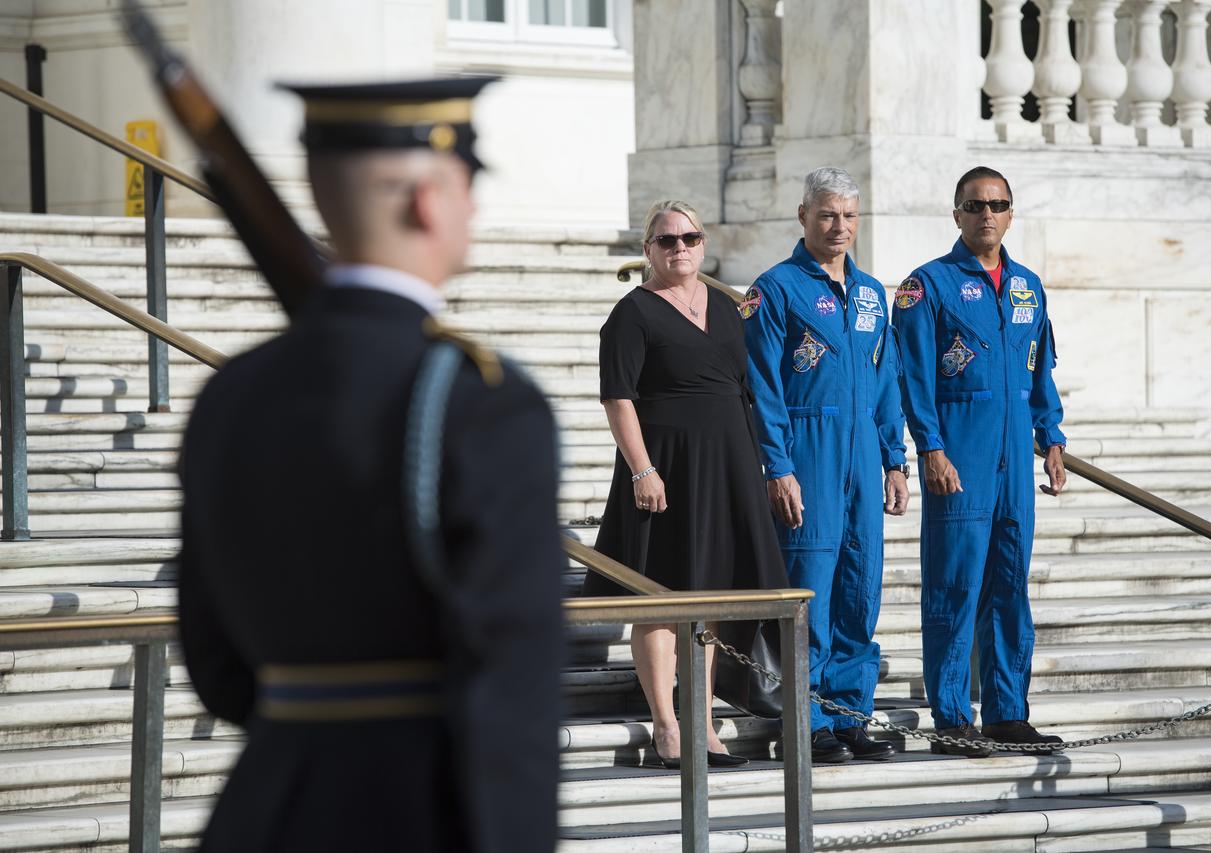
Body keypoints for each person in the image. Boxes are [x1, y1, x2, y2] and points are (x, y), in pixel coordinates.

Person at [177, 77, 565, 851]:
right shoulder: (482, 400)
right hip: (419, 813)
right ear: (428, 201)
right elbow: (512, 690)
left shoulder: (231, 392)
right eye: (466, 187)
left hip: (263, 810)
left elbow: (217, 665)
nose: (474, 209)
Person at [582, 199, 788, 769]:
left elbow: (748, 386)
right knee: (661, 598)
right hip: (664, 469)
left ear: (703, 244)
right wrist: (642, 469)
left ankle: (702, 721)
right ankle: (668, 728)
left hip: (727, 467)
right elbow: (617, 398)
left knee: (710, 596)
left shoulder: (725, 308)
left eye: (690, 239)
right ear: (647, 250)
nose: (680, 249)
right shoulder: (633, 312)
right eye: (667, 240)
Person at [892, 166, 1068, 757]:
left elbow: (1038, 368)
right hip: (960, 457)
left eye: (997, 204)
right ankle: (950, 716)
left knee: (1010, 587)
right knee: (955, 585)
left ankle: (1007, 713)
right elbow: (912, 377)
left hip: (1016, 458)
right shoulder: (928, 286)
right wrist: (931, 447)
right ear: (957, 215)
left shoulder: (1027, 287)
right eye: (974, 205)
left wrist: (1053, 437)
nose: (986, 214)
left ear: (1011, 213)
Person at [742, 167, 910, 764]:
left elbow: (887, 379)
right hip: (807, 451)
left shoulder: (870, 294)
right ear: (803, 217)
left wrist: (896, 459)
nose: (839, 227)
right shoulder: (776, 289)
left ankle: (848, 717)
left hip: (864, 453)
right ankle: (804, 721)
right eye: (827, 215)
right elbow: (760, 386)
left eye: (849, 216)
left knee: (860, 589)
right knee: (809, 588)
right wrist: (778, 467)